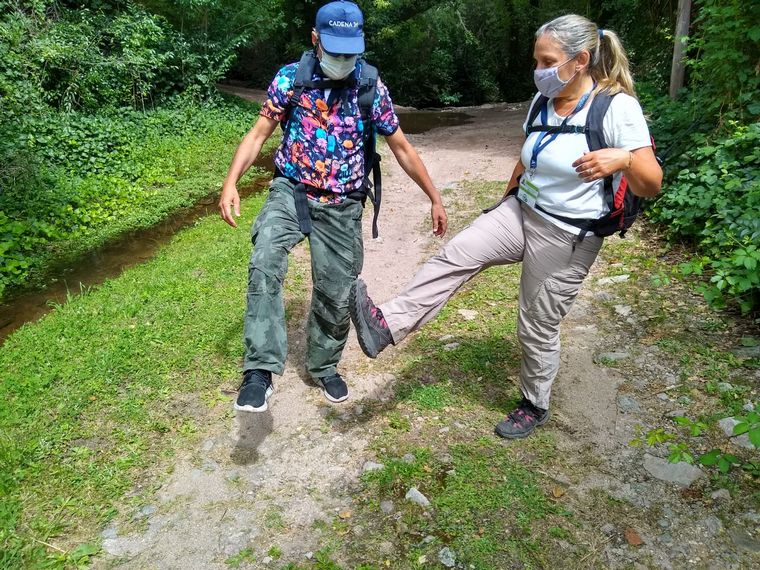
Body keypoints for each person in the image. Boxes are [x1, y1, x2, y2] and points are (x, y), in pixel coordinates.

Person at [349, 14, 662, 438]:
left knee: (535, 322)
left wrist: (623, 159)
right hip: (521, 212)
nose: (539, 72)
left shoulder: (616, 106)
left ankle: (534, 402)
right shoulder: (541, 104)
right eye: (536, 62)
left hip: (567, 234)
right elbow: (528, 154)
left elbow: (652, 182)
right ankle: (386, 324)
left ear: (581, 60)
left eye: (547, 61)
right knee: (455, 255)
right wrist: (507, 198)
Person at [219, 1, 448, 412]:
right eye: (335, 50)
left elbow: (401, 147)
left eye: (351, 51)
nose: (343, 59)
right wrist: (230, 183)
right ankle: (259, 370)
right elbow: (258, 135)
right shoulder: (292, 79)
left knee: (336, 289)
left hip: (343, 204)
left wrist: (434, 196)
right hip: (291, 191)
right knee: (265, 257)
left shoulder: (370, 89)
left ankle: (324, 365)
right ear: (315, 40)